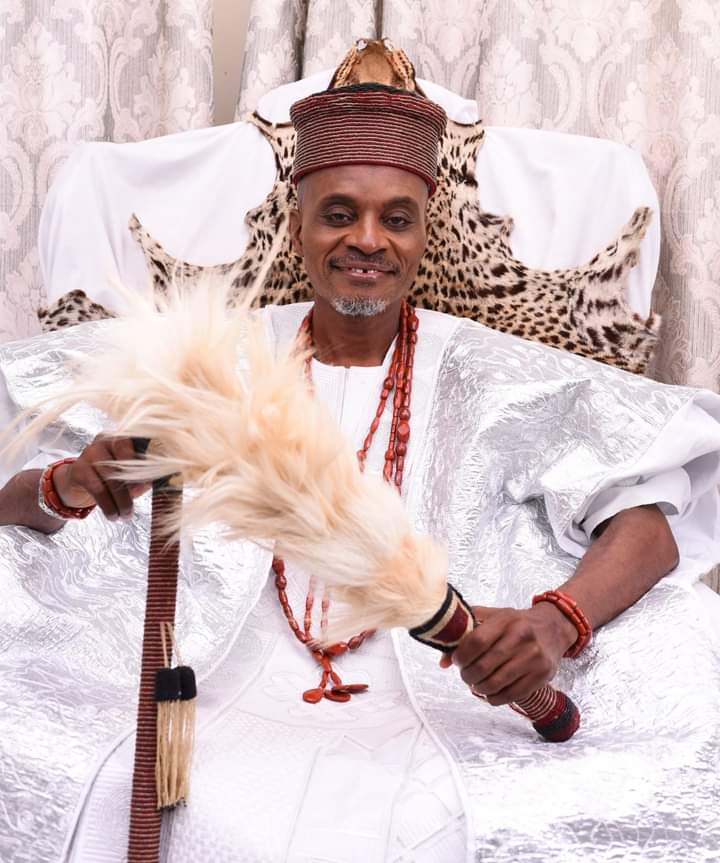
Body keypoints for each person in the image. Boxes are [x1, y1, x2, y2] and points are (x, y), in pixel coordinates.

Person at [1, 83, 719, 862]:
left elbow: (648, 527)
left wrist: (554, 622)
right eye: (339, 213)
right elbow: (14, 502)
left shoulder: (496, 370)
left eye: (396, 219)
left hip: (440, 695)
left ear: (424, 234)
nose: (367, 240)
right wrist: (68, 485)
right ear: (297, 226)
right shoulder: (206, 357)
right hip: (215, 679)